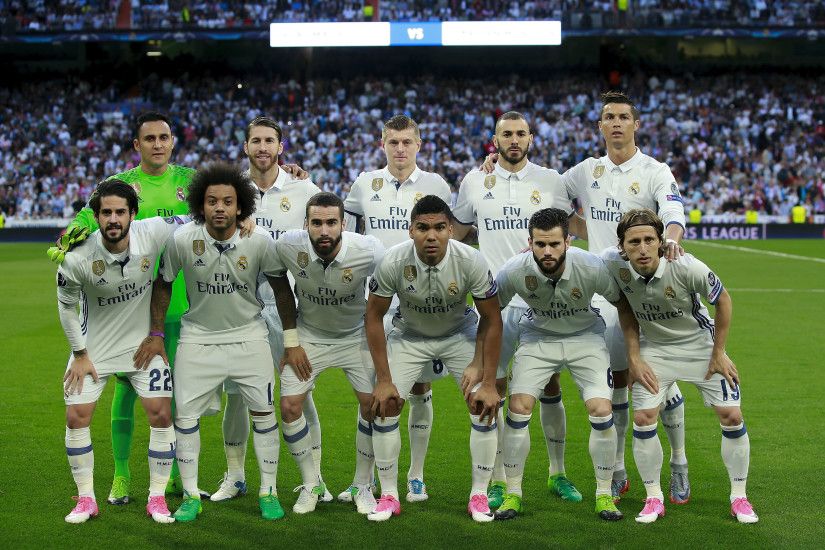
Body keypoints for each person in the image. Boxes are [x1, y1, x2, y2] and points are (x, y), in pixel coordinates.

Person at [134, 163, 284, 522]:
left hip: (249, 338)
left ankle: (269, 490)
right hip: (197, 339)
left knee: (264, 412)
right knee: (184, 419)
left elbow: (282, 291)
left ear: (240, 207)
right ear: (200, 205)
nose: (220, 208)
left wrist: (291, 341)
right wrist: (156, 334)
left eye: (228, 202)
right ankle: (190, 495)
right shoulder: (183, 239)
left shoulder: (259, 240)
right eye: (212, 201)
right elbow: (164, 284)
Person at [451, 112, 580, 507]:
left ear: (530, 139)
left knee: (550, 386)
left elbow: (570, 230)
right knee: (496, 389)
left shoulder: (551, 181)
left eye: (520, 133)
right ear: (495, 139)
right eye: (506, 133)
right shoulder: (474, 181)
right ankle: (496, 480)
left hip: (544, 302)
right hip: (496, 303)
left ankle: (557, 473)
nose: (514, 139)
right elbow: (456, 233)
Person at [602, 209, 757, 524]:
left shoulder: (687, 267)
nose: (642, 248)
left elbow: (723, 300)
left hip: (700, 347)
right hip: (655, 350)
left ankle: (739, 497)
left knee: (732, 415)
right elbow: (625, 311)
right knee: (644, 417)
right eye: (634, 242)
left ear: (660, 241)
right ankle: (653, 498)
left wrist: (719, 352)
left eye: (649, 240)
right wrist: (633, 357)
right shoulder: (616, 270)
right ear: (623, 247)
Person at [211, 116, 331, 503]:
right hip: (239, 306)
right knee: (236, 392)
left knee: (300, 390)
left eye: (269, 141)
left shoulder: (303, 188)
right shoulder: (230, 192)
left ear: (281, 147)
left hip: (289, 307)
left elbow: (325, 235)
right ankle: (235, 475)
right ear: (245, 147)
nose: (262, 148)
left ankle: (315, 478)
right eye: (255, 141)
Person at [365, 195, 502, 523]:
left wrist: (483, 372)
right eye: (423, 228)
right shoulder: (393, 261)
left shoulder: (470, 260)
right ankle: (388, 495)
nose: (432, 235)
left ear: (451, 230)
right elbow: (373, 317)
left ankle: (479, 495)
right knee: (384, 407)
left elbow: (492, 319)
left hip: (459, 334)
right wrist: (384, 380)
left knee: (483, 405)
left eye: (440, 227)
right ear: (410, 230)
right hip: (410, 337)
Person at [341, 114, 453, 503]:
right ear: (382, 144)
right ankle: (362, 479)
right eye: (393, 142)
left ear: (419, 144)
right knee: (373, 393)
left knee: (420, 389)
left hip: (423, 306)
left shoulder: (436, 185)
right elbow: (348, 239)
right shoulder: (363, 184)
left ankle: (416, 476)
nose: (400, 149)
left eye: (407, 142)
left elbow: (453, 234)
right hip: (376, 304)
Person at [493, 208, 632, 521]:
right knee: (518, 407)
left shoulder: (590, 266)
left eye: (554, 244)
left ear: (568, 241)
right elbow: (491, 310)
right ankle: (513, 494)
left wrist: (634, 354)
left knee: (601, 409)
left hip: (586, 339)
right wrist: (482, 364)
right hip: (537, 339)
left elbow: (622, 303)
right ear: (529, 242)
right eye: (540, 244)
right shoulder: (515, 268)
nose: (547, 251)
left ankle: (603, 495)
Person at [57, 180, 181, 524]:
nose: (113, 219)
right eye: (106, 212)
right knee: (76, 417)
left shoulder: (153, 232)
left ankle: (157, 498)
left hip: (142, 346)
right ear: (95, 216)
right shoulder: (77, 256)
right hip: (92, 350)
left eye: (120, 212)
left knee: (161, 414)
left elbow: (195, 220)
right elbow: (66, 307)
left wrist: (244, 219)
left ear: (133, 215)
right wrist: (79, 353)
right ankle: (86, 499)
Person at [269, 192, 384, 515]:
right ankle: (312, 484)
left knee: (371, 406)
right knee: (290, 406)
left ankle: (362, 484)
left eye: (331, 223)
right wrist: (291, 340)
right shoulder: (288, 245)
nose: (324, 230)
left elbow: (392, 279)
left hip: (355, 338)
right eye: (316, 223)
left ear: (343, 225)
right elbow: (280, 286)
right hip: (309, 338)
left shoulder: (367, 249)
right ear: (305, 224)